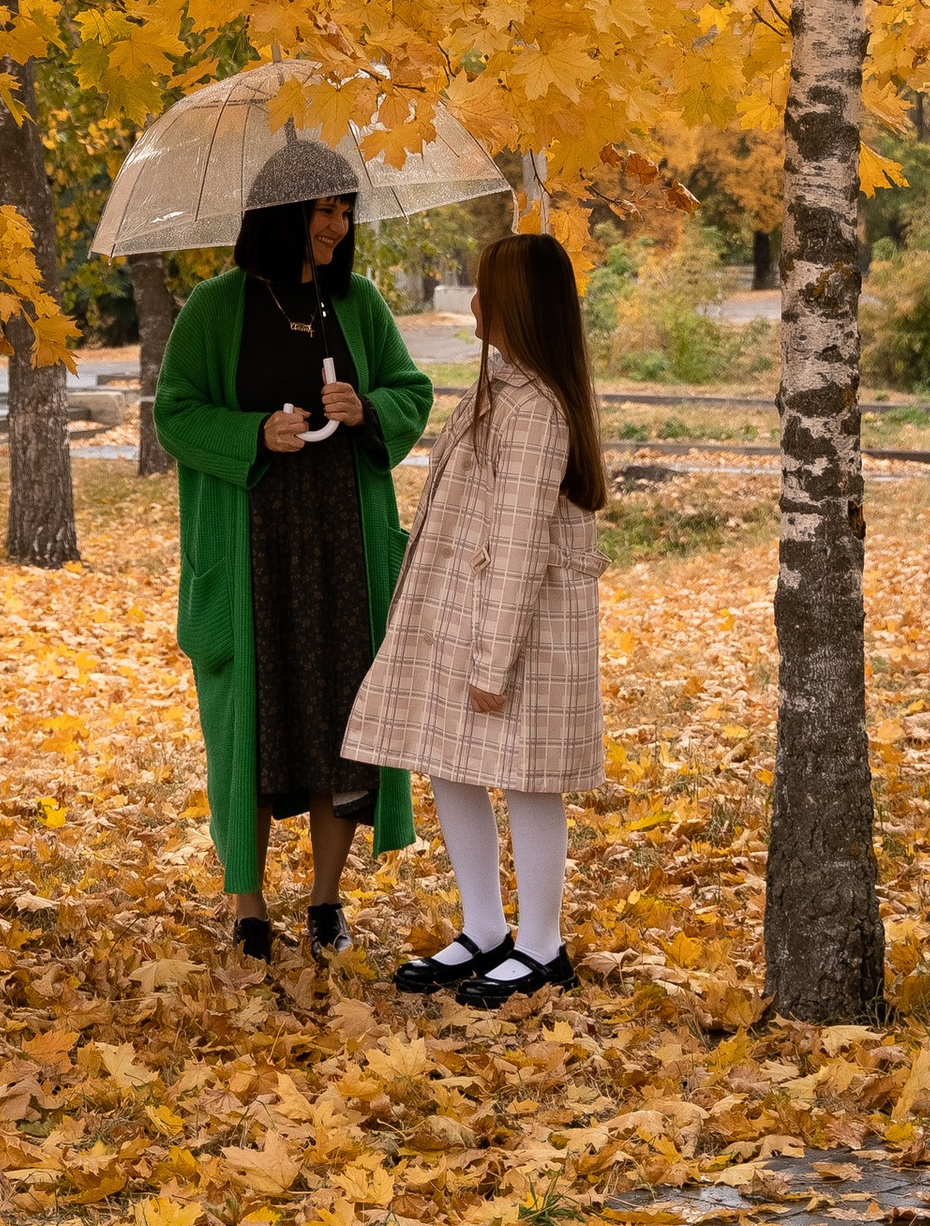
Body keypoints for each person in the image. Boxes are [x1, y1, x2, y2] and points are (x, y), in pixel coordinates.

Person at [153, 132, 435, 958]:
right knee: (250, 721)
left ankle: (324, 903)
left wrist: (367, 409)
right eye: (323, 210)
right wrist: (253, 433)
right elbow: (175, 412)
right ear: (281, 215)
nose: (337, 226)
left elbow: (412, 389)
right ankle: (248, 907)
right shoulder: (216, 307)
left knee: (340, 722)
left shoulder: (359, 304)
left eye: (345, 211)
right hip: (254, 552)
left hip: (344, 548)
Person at [340, 229, 608, 1005]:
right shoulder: (500, 387)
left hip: (519, 630)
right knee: (449, 762)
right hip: (463, 614)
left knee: (528, 779)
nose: (475, 301)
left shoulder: (535, 410)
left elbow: (519, 545)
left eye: (487, 289)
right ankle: (486, 928)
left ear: (515, 305)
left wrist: (492, 664)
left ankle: (543, 945)